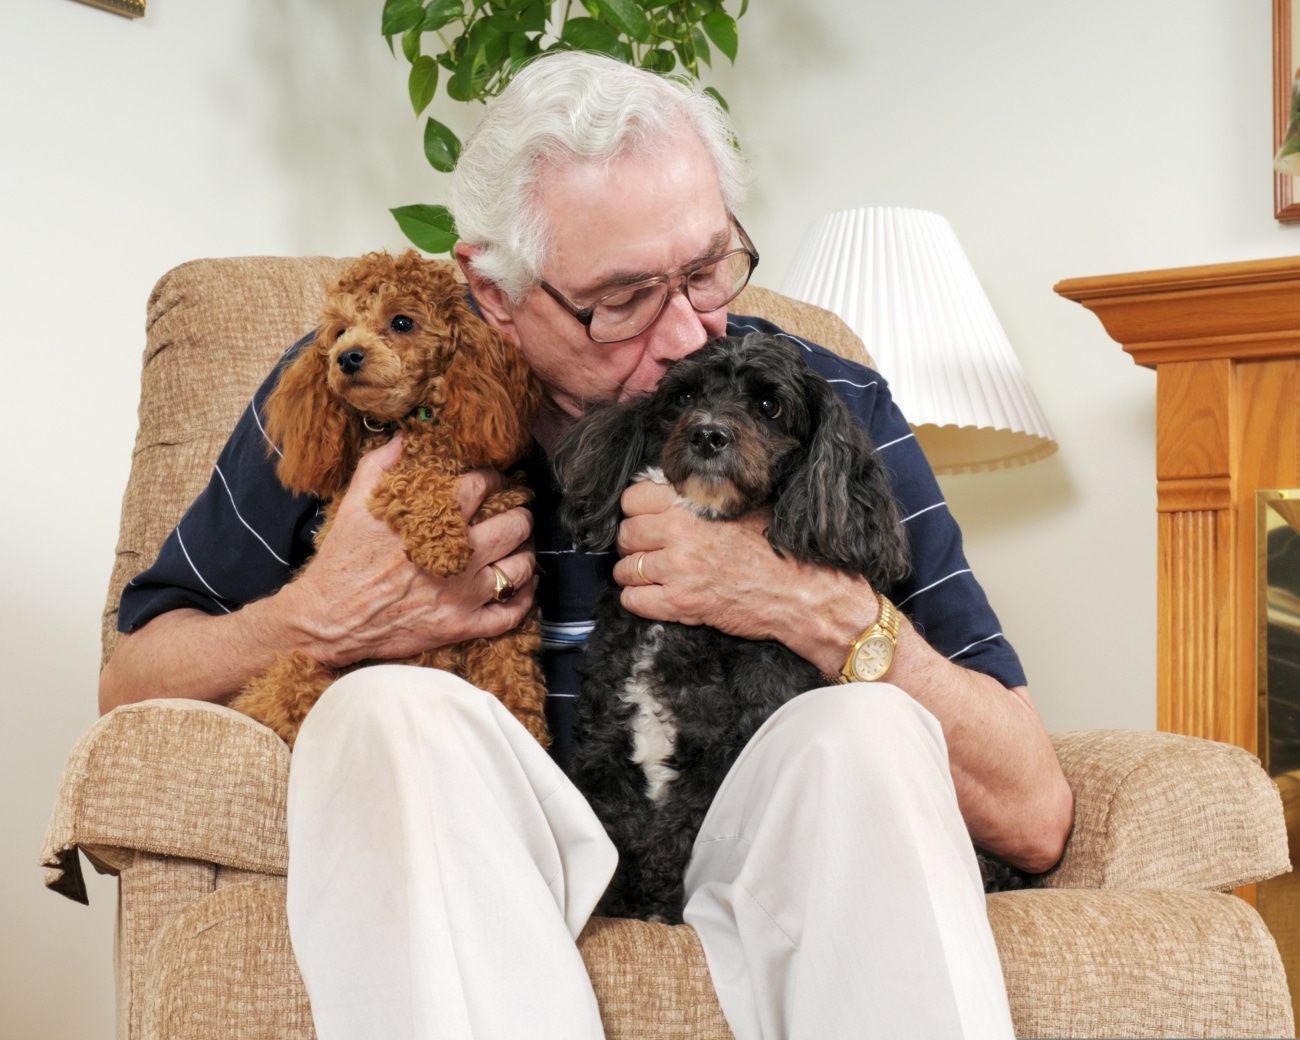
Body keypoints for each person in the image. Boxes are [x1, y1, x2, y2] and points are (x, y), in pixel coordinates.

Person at [100, 51, 1073, 1040]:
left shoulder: (823, 404)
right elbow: (130, 682)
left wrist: (812, 606)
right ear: (491, 287)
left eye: (706, 270)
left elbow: (1032, 812)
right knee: (383, 711)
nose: (690, 334)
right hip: (478, 848)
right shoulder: (359, 393)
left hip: (749, 843)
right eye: (620, 300)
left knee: (866, 729)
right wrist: (319, 615)